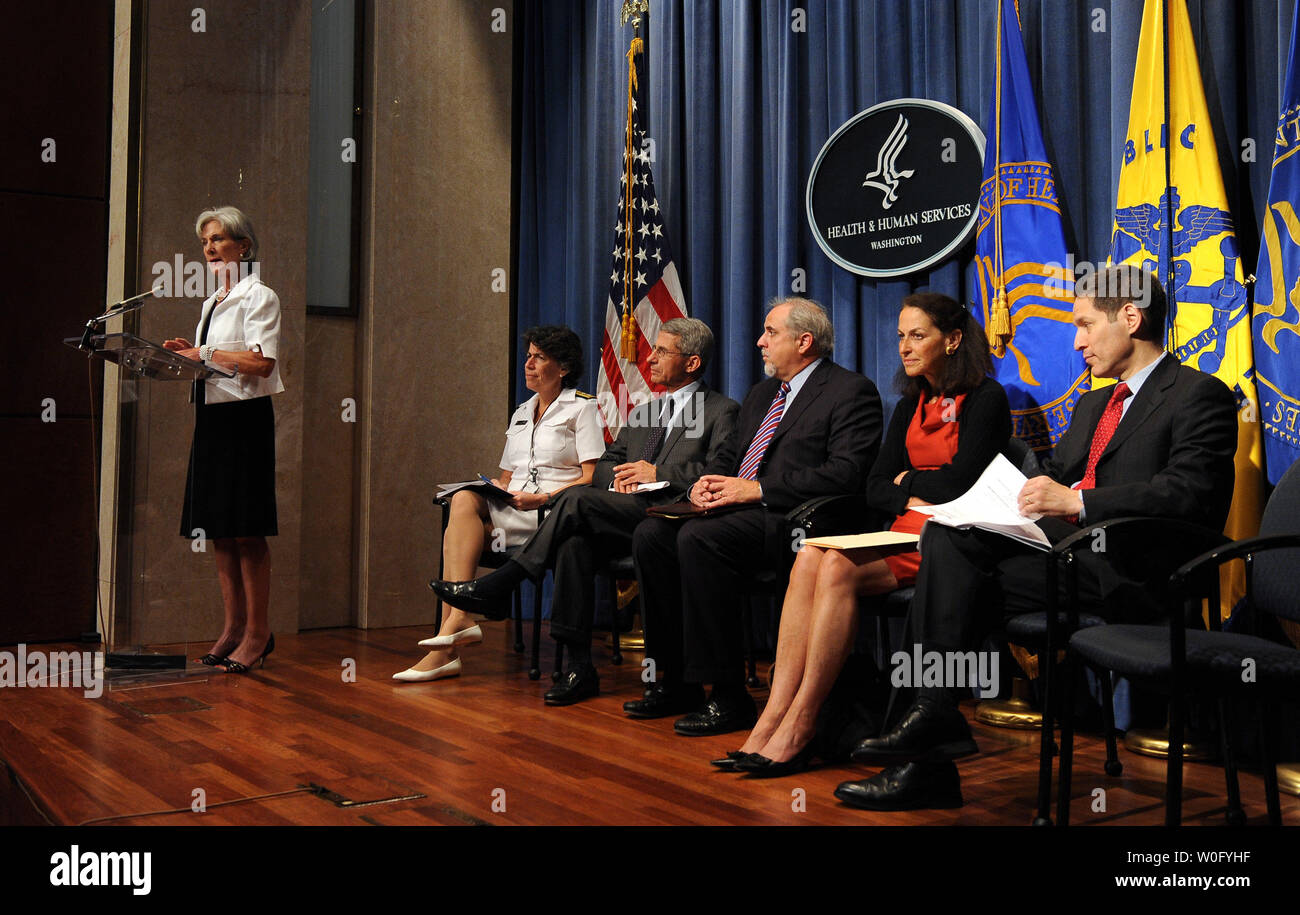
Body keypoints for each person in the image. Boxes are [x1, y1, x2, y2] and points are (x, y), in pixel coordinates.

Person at [836, 265, 1238, 810]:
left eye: (1083, 325)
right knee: (949, 539)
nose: (1076, 343)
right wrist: (1018, 496)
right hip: (1067, 559)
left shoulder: (1198, 394)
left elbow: (1189, 496)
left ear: (1131, 317)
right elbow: (1057, 475)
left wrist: (1079, 501)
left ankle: (926, 741)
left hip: (1137, 572)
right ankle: (931, 721)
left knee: (950, 580)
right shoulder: (1095, 403)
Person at [724, 293, 1010, 776]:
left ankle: (802, 722)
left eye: (918, 335)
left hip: (953, 539)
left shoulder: (986, 398)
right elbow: (874, 487)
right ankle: (777, 714)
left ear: (954, 340)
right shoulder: (909, 404)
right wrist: (912, 489)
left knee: (835, 564)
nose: (904, 346)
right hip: (905, 528)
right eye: (901, 336)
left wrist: (908, 483)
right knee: (814, 553)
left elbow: (963, 485)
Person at [429, 317, 740, 704]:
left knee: (574, 501)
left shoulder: (722, 410)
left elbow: (720, 471)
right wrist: (619, 479)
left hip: (671, 516)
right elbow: (608, 462)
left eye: (662, 351)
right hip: (624, 511)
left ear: (692, 363)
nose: (651, 358)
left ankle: (502, 583)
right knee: (573, 542)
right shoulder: (645, 410)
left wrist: (657, 472)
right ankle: (579, 668)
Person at [626, 297, 883, 735]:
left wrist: (759, 489)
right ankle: (674, 682)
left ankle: (727, 695)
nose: (759, 342)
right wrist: (704, 485)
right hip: (738, 512)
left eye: (770, 333)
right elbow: (729, 455)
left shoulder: (849, 390)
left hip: (794, 521)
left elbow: (846, 474)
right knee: (652, 533)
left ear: (804, 341)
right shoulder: (762, 393)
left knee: (699, 539)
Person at [393, 325, 605, 682]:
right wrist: (495, 488)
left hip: (551, 513)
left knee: (457, 532)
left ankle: (449, 643)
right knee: (462, 499)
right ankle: (459, 620)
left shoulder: (582, 408)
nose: (529, 364)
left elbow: (591, 478)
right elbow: (506, 476)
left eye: (539, 358)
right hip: (513, 505)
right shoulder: (521, 411)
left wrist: (544, 497)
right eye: (528, 356)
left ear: (563, 368)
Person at [164, 206, 283, 674]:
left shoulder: (261, 297)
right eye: (204, 243)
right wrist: (185, 357)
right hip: (211, 417)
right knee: (218, 529)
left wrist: (205, 352)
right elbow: (215, 360)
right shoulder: (211, 302)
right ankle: (232, 628)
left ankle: (258, 632)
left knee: (247, 528)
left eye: (217, 240)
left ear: (243, 246)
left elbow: (261, 363)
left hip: (245, 419)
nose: (209, 249)